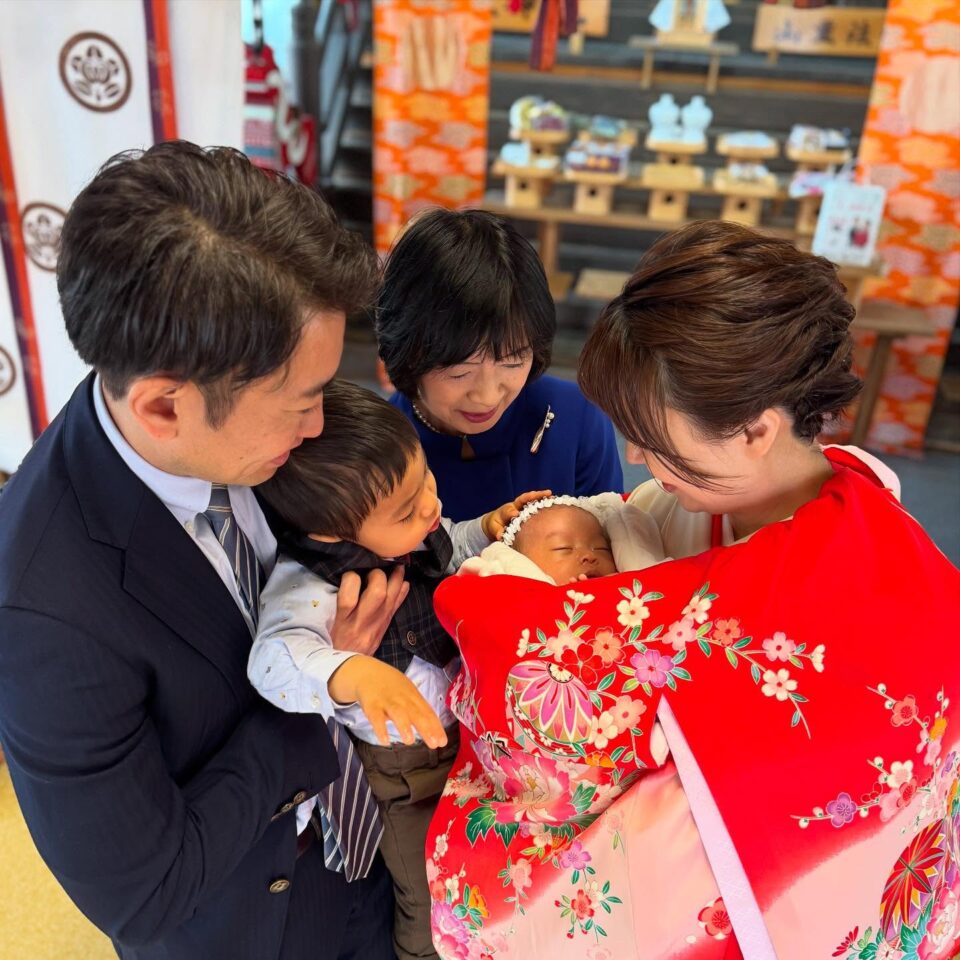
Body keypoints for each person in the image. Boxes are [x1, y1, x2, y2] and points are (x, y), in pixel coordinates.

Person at [423, 221, 960, 960]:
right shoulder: (687, 506)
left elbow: (549, 686)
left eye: (654, 439)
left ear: (755, 428)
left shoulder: (865, 570)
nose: (635, 457)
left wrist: (491, 606)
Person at [0, 142, 430, 960]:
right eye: (304, 403)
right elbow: (146, 891)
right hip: (253, 920)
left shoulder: (238, 417)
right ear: (165, 407)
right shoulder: (46, 609)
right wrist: (320, 684)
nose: (322, 426)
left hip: (372, 849)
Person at [249, 379, 544, 960]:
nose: (430, 507)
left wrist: (482, 528)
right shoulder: (308, 585)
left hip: (469, 734)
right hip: (399, 778)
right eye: (408, 509)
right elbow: (273, 660)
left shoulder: (416, 522)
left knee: (492, 857)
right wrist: (352, 673)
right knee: (428, 891)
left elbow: (443, 546)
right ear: (333, 533)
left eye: (425, 481)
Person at [375, 207, 623, 522]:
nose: (487, 397)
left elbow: (611, 551)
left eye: (513, 360)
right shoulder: (379, 450)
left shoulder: (577, 419)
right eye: (460, 372)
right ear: (408, 353)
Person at [459, 493, 665, 585]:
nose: (588, 556)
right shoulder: (521, 595)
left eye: (601, 549)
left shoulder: (631, 591)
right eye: (563, 548)